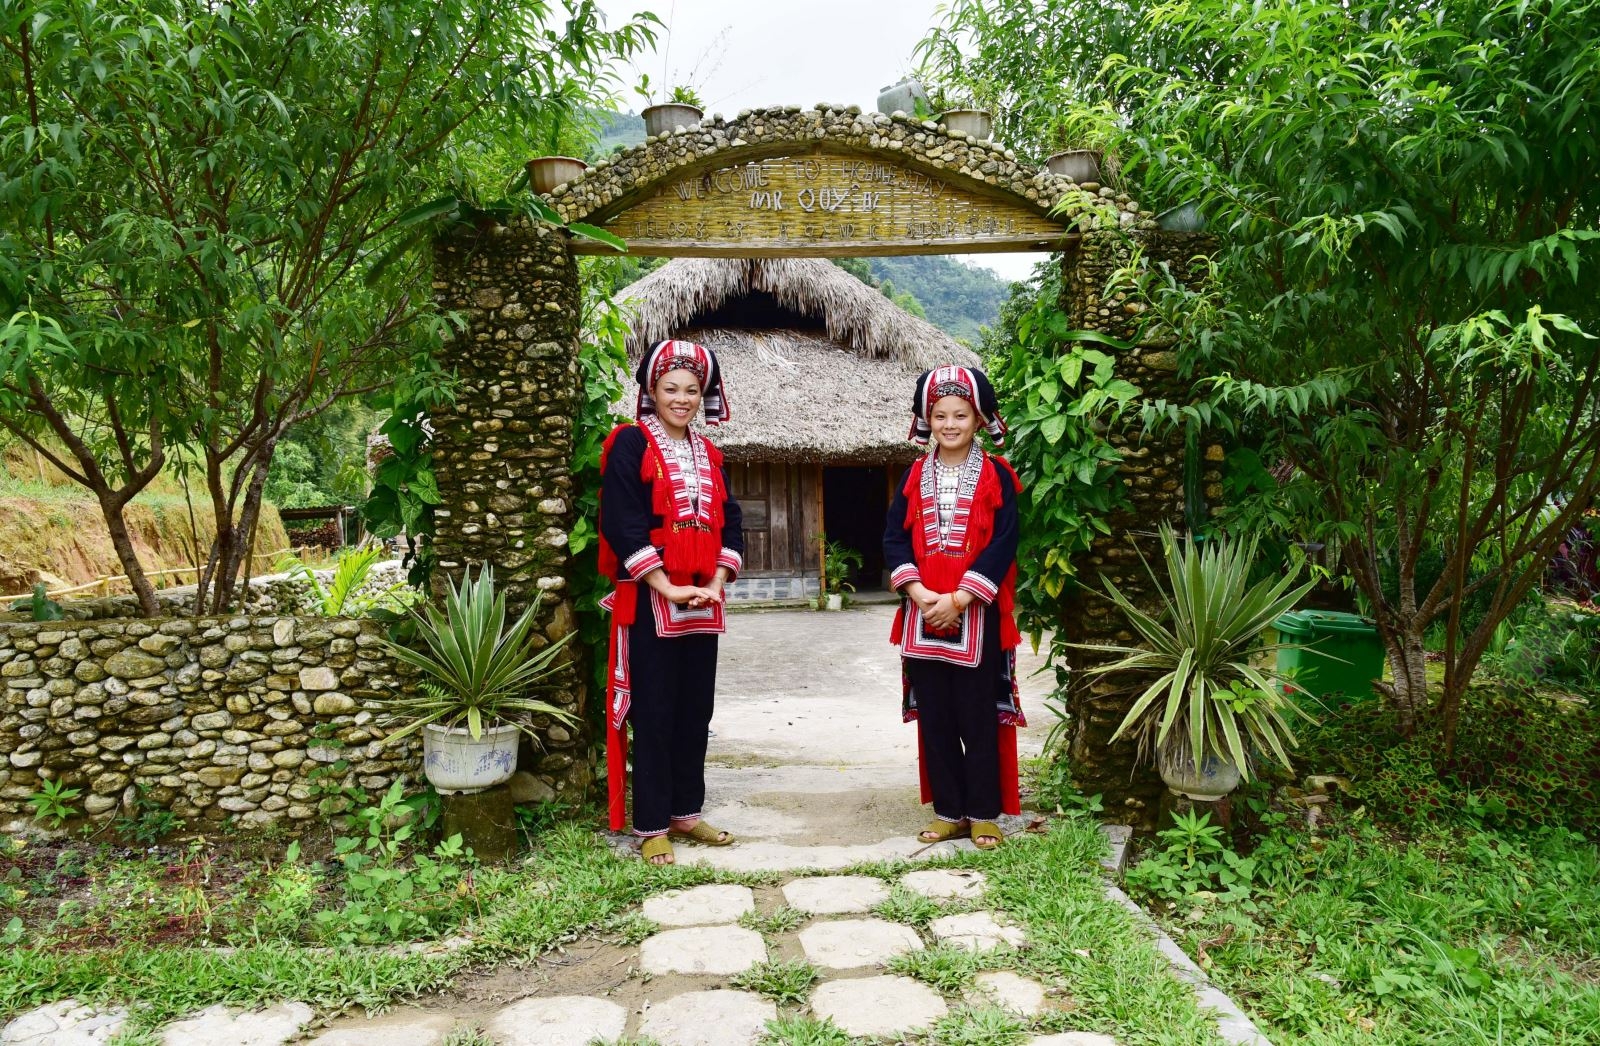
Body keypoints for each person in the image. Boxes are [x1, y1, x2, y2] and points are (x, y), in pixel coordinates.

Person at [598, 339, 744, 865]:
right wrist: (664, 583)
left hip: (703, 600)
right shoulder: (630, 445)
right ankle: (652, 823)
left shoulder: (709, 453)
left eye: (691, 390)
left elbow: (732, 520)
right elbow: (623, 520)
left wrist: (719, 579)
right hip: (652, 599)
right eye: (671, 389)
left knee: (694, 708)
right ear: (651, 391)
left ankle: (686, 809)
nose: (682, 399)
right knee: (655, 710)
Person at [884, 365, 1024, 850]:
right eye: (940, 415)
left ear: (979, 419)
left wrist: (961, 597)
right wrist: (921, 595)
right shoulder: (913, 475)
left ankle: (983, 812)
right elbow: (893, 539)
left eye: (960, 415)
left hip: (977, 614)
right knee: (937, 715)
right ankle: (948, 811)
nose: (949, 424)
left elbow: (1004, 541)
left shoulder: (996, 475)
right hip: (921, 612)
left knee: (977, 713)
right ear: (928, 420)